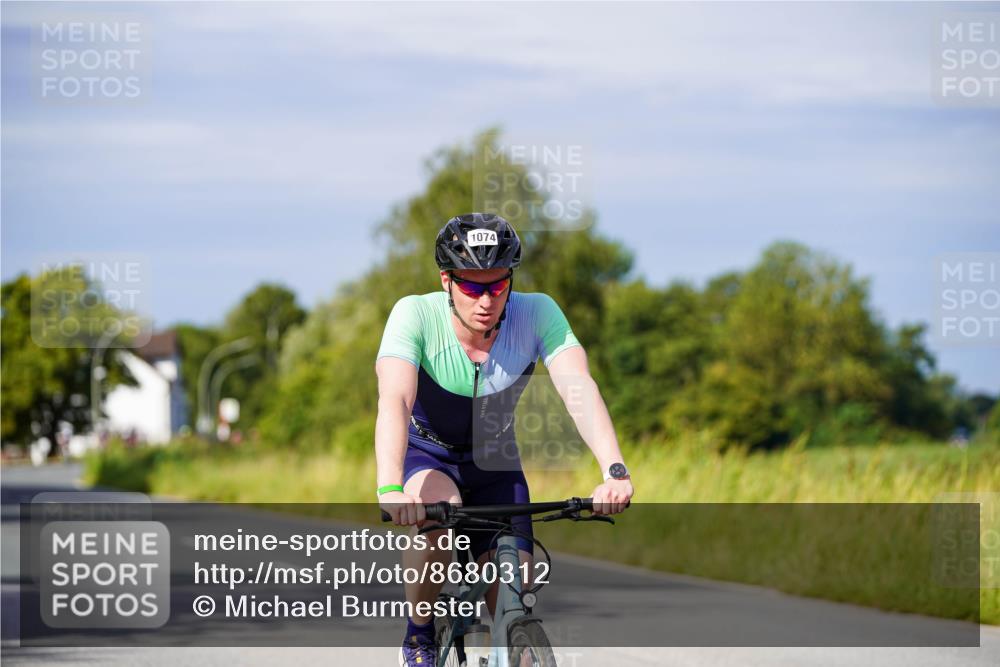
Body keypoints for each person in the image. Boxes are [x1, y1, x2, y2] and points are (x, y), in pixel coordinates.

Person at [375, 212, 634, 666]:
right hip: (429, 457)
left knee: (515, 592)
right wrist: (391, 487)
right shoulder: (413, 314)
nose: (485, 299)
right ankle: (419, 636)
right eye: (472, 286)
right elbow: (394, 400)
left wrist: (614, 470)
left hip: (496, 466)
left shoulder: (538, 313)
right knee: (437, 522)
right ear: (447, 281)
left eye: (497, 285)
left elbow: (579, 388)